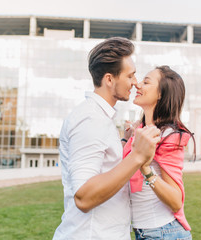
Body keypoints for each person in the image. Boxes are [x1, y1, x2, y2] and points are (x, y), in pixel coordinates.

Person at [53, 37, 161, 240]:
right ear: (109, 79)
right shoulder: (90, 119)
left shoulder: (100, 117)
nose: (135, 83)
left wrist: (123, 143)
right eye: (130, 76)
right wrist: (137, 155)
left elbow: (103, 166)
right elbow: (84, 197)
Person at [122, 65, 195, 240]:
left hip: (163, 232)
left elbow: (176, 201)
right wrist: (125, 140)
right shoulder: (141, 130)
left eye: (146, 82)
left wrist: (146, 169)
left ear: (161, 93)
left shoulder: (168, 136)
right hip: (146, 232)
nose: (138, 85)